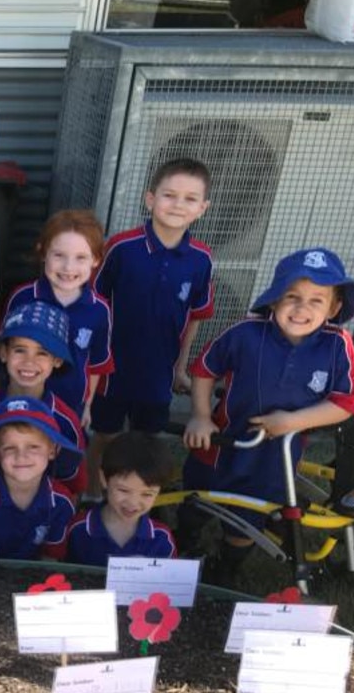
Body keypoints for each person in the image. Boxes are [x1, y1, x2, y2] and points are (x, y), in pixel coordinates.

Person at [183, 248, 354, 580]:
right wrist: (200, 415)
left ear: (335, 307)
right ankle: (186, 541)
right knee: (196, 495)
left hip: (275, 454)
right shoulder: (245, 333)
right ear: (275, 298)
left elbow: (344, 404)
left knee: (251, 512)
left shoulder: (338, 346)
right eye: (292, 296)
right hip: (221, 440)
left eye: (316, 300)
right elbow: (204, 369)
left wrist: (291, 422)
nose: (301, 308)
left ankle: (226, 566)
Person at [87, 158, 215, 498]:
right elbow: (94, 305)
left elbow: (197, 315)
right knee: (105, 436)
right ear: (150, 199)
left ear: (203, 208)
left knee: (147, 443)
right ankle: (90, 497)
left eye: (190, 199)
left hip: (157, 372)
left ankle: (142, 501)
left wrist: (179, 368)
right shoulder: (121, 247)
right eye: (169, 195)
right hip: (113, 369)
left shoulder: (201, 259)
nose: (177, 205)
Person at [0, 301, 86, 493]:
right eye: (20, 350)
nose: (29, 361)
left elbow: (72, 483)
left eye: (42, 353)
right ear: (3, 353)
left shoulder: (65, 419)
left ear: (57, 360)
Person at [4, 209, 112, 428]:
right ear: (43, 252)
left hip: (71, 404)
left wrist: (87, 406)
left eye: (80, 258)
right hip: (21, 402)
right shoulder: (23, 297)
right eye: (59, 255)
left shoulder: (99, 309)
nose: (68, 267)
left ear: (96, 260)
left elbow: (97, 364)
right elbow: (5, 351)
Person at [0, 397, 77, 560]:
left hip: (36, 578)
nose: (21, 456)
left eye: (33, 447)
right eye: (10, 448)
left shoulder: (61, 501)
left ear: (53, 450)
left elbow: (51, 558)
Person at [65, 431, 176, 566]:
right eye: (123, 490)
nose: (133, 502)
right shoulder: (78, 529)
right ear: (103, 479)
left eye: (147, 494)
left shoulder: (162, 538)